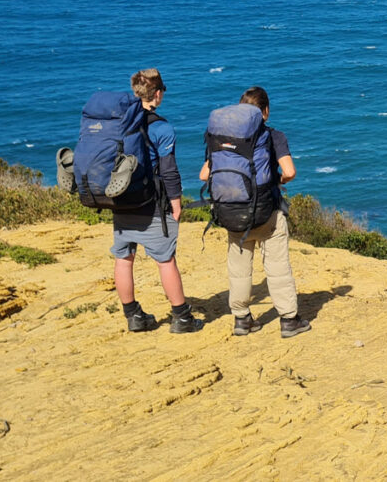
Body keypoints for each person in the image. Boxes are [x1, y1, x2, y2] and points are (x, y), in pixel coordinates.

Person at [200, 86, 310, 338]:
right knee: (277, 265)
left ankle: (241, 319)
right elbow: (290, 171)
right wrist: (279, 181)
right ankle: (289, 320)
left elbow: (204, 175)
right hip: (265, 211)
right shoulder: (273, 136)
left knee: (239, 268)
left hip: (231, 212)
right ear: (265, 112)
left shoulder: (221, 139)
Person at [113, 68, 203, 334]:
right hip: (150, 202)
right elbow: (169, 170)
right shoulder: (162, 128)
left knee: (124, 257)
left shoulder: (119, 122)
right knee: (165, 259)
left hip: (119, 198)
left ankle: (133, 316)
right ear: (159, 93)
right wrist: (176, 203)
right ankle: (181, 317)